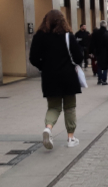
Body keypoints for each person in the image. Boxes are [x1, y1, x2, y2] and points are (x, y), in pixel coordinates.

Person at [29, 9, 84, 149]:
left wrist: (44, 66)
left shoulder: (39, 36)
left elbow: (33, 58)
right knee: (70, 107)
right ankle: (71, 139)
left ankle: (48, 128)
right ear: (62, 20)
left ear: (45, 21)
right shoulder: (68, 36)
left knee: (53, 107)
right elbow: (78, 57)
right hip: (68, 77)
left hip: (49, 77)